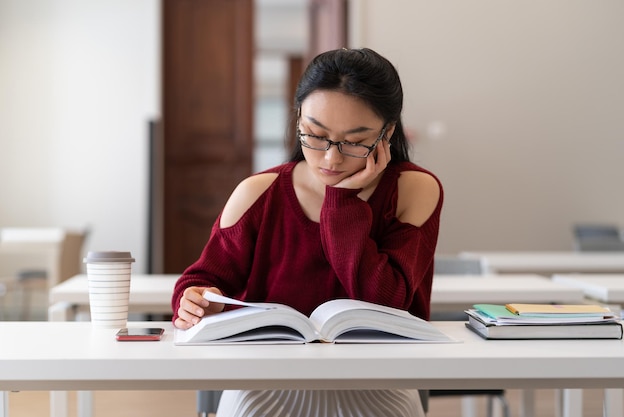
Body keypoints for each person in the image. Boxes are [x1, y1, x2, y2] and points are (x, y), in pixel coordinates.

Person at [171, 47, 443, 417]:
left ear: (388, 132)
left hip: (379, 387)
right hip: (265, 387)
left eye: (354, 141)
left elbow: (386, 301)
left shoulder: (414, 188)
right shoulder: (259, 192)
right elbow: (203, 279)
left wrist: (342, 203)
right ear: (298, 118)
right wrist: (196, 300)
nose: (331, 158)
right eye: (315, 134)